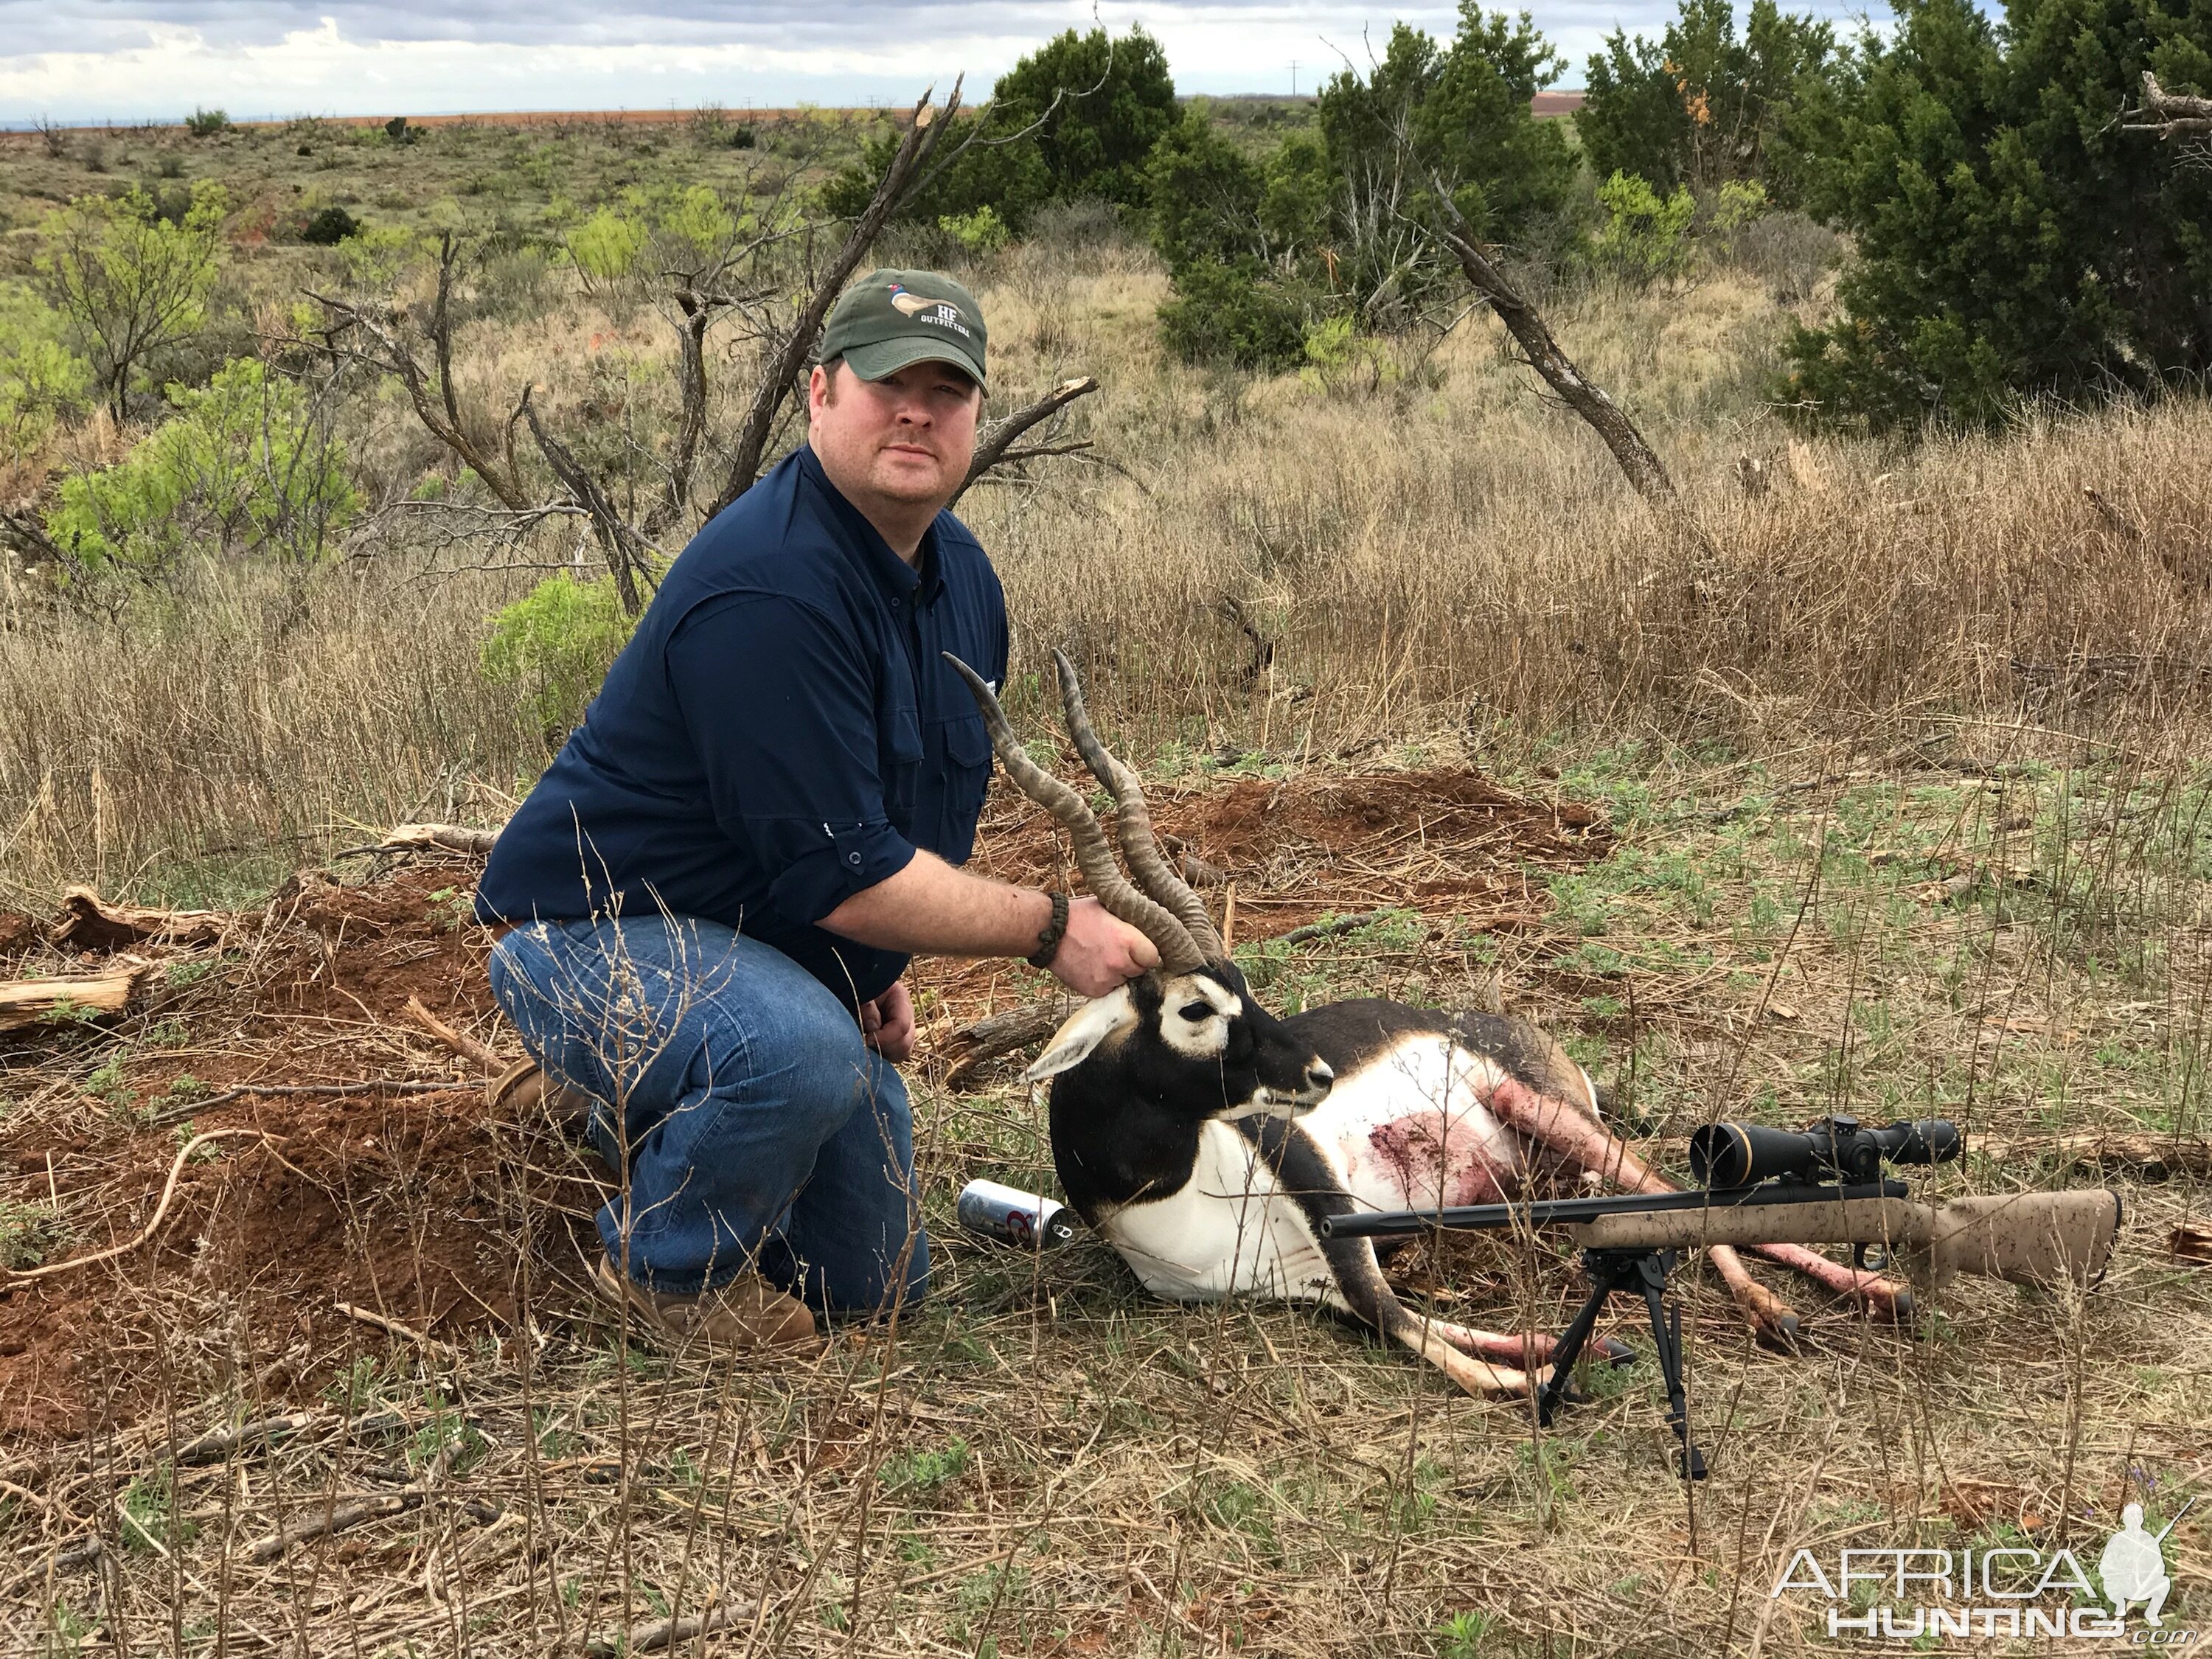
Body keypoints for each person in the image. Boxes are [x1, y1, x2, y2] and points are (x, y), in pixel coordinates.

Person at [475, 268, 1158, 1349]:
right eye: (888, 382)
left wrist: (870, 977)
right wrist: (1049, 926)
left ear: (977, 415)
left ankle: (654, 1097)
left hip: (755, 946)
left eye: (947, 390)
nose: (916, 412)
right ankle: (664, 1272)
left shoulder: (965, 584)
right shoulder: (772, 587)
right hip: (584, 936)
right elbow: (846, 875)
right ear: (820, 392)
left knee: (875, 1283)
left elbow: (892, 826)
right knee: (796, 1056)